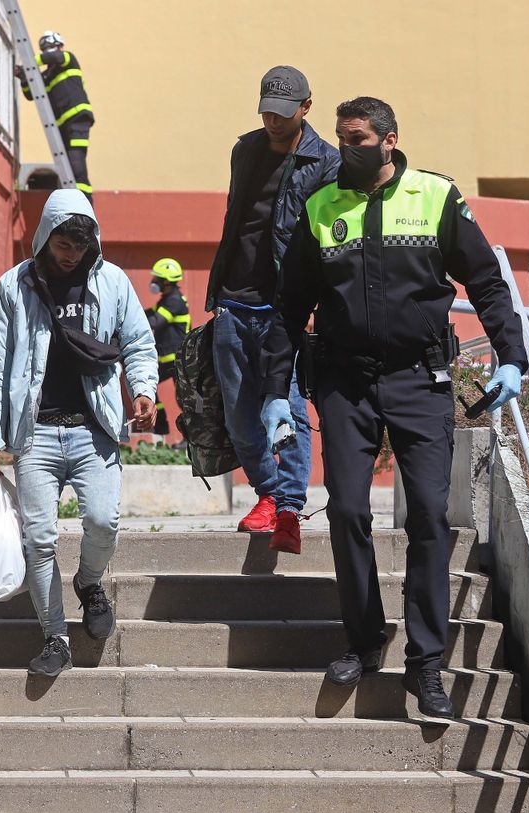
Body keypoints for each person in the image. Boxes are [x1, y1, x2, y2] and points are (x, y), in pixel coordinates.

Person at [261, 97, 526, 718]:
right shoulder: (322, 206)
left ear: (389, 139)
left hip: (420, 379)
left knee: (430, 516)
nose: (345, 149)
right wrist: (277, 391)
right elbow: (290, 303)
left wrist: (510, 355)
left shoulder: (435, 197)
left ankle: (426, 664)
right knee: (348, 510)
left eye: (356, 139)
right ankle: (364, 636)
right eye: (339, 138)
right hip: (345, 383)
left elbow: (486, 280)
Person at [0, 188, 159, 677]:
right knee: (39, 538)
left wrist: (143, 389)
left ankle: (89, 583)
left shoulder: (113, 283)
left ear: (91, 243)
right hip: (34, 433)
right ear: (45, 235)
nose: (70, 254)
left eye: (79, 246)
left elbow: (138, 343)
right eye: (62, 243)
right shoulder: (14, 286)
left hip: (92, 429)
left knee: (103, 521)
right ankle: (55, 636)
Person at [206, 64, 341, 554]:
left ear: (306, 108)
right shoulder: (245, 149)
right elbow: (236, 219)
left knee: (285, 411)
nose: (273, 121)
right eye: (267, 111)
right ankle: (267, 493)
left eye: (283, 113)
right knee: (240, 416)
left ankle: (287, 508)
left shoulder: (326, 161)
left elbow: (329, 236)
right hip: (234, 300)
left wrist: (316, 298)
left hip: (287, 306)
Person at [19, 31, 94, 199]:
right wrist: (24, 76)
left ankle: (86, 204)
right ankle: (74, 201)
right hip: (62, 127)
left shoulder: (68, 59)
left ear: (60, 47)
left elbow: (56, 58)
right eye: (46, 50)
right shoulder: (47, 75)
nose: (49, 53)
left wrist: (29, 62)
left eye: (52, 49)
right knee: (69, 169)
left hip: (77, 121)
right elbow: (31, 94)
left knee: (77, 167)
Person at [146, 258, 191, 444]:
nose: (153, 282)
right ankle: (161, 428)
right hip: (169, 360)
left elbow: (154, 322)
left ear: (166, 281)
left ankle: (188, 438)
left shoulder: (174, 301)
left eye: (157, 279)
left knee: (185, 400)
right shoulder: (167, 300)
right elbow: (148, 314)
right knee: (149, 385)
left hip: (177, 360)